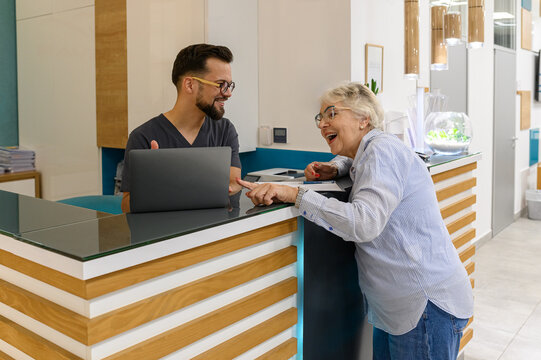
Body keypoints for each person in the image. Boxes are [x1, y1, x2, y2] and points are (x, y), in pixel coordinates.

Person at [237, 82, 473, 359]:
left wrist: (295, 195)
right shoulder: (371, 150)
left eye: (331, 114)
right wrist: (335, 166)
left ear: (364, 119)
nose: (322, 124)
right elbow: (356, 161)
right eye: (320, 117)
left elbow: (364, 223)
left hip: (423, 307)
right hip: (398, 311)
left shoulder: (383, 151)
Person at [121, 44, 242, 213]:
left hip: (216, 233)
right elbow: (127, 206)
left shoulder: (225, 130)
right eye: (220, 84)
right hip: (165, 236)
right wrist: (152, 182)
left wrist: (170, 186)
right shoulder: (143, 136)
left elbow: (234, 184)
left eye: (229, 85)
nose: (228, 93)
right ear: (190, 85)